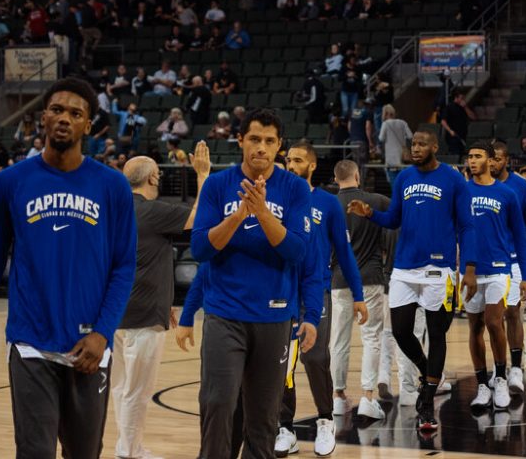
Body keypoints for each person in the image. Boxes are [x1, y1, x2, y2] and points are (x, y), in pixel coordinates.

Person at [0, 77, 138, 458]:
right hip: (30, 343)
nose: (64, 118)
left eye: (75, 113)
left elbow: (124, 266)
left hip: (88, 347)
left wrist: (102, 333)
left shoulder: (112, 186)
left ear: (87, 125)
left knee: (84, 453)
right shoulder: (11, 182)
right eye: (57, 109)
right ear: (43, 119)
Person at [189, 108, 316, 458]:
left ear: (279, 146)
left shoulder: (293, 188)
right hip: (224, 315)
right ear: (240, 140)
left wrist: (261, 213)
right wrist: (238, 216)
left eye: (269, 141)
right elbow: (199, 248)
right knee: (218, 402)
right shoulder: (217, 185)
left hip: (275, 318)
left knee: (263, 418)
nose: (261, 147)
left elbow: (297, 251)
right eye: (255, 139)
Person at [347, 129, 476, 431]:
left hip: (439, 270)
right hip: (404, 268)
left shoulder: (453, 178)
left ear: (434, 146)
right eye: (412, 144)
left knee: (437, 334)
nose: (415, 148)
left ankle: (427, 402)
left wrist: (469, 267)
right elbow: (394, 218)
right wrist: (370, 215)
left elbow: (467, 226)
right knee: (402, 331)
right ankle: (427, 372)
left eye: (421, 144)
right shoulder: (404, 178)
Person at [113, 144, 210, 459]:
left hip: (114, 312)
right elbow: (202, 216)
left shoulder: (114, 209)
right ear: (153, 178)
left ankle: (126, 446)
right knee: (136, 391)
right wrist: (203, 174)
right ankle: (129, 451)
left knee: (121, 388)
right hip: (142, 314)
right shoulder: (151, 211)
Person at [277, 142, 367, 457]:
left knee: (314, 358)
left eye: (298, 160)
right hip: (279, 292)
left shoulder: (327, 204)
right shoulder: (275, 198)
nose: (291, 164)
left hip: (316, 290)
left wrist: (358, 295)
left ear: (312, 166)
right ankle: (284, 426)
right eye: (288, 159)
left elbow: (344, 252)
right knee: (281, 363)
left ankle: (325, 419)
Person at [463, 142, 526, 410]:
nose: (473, 160)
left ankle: (501, 377)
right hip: (468, 272)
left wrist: (524, 275)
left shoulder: (507, 194)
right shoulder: (461, 192)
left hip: (499, 269)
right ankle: (482, 385)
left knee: (494, 321)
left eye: (478, 156)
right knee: (475, 327)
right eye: (470, 156)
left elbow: (522, 236)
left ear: (490, 160)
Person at [327, 160, 394, 422]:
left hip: (339, 279)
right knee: (372, 339)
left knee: (339, 341)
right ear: (358, 175)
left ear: (335, 178)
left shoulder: (329, 204)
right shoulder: (377, 201)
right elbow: (395, 226)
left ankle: (338, 398)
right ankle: (367, 397)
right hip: (370, 278)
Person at [490, 141, 526, 394]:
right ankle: (498, 368)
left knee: (512, 313)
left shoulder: (520, 186)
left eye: (497, 159)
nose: (492, 163)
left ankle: (515, 369)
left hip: (513, 259)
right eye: (490, 159)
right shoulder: (479, 184)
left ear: (507, 160)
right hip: (487, 260)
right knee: (491, 318)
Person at [378, 104, 413, 184]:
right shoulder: (402, 122)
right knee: (403, 183)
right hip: (402, 157)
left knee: (394, 185)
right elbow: (410, 136)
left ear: (385, 113)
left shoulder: (385, 124)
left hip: (390, 160)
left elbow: (381, 138)